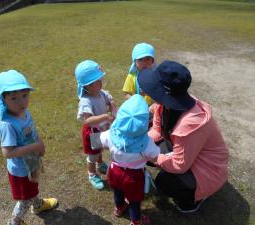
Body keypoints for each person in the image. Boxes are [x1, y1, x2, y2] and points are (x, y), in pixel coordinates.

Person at [137, 60, 229, 213]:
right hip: (189, 152)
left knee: (164, 183)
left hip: (207, 168)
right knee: (149, 150)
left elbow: (180, 165)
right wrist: (141, 143)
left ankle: (196, 196)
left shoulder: (191, 124)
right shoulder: (166, 103)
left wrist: (151, 156)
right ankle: (182, 180)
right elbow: (157, 131)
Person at [0, 70, 58, 225]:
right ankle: (15, 221)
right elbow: (7, 153)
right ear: (3, 99)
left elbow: (32, 130)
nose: (21, 102)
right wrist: (35, 146)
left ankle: (38, 205)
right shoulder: (7, 124)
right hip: (21, 171)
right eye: (14, 98)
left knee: (32, 188)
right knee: (24, 198)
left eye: (25, 95)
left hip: (31, 163)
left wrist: (40, 143)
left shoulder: (24, 112)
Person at [99, 94, 160, 225]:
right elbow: (156, 155)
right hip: (134, 177)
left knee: (118, 191)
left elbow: (99, 141)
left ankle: (119, 208)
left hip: (114, 171)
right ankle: (136, 220)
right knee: (134, 200)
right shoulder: (147, 144)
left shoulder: (110, 134)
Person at [75, 60, 116, 190]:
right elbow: (87, 121)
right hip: (92, 133)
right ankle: (92, 174)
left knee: (100, 149)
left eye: (99, 79)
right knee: (92, 155)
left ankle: (100, 164)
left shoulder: (100, 92)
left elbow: (108, 97)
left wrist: (111, 103)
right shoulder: (85, 101)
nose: (99, 83)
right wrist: (104, 117)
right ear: (86, 86)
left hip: (102, 129)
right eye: (94, 82)